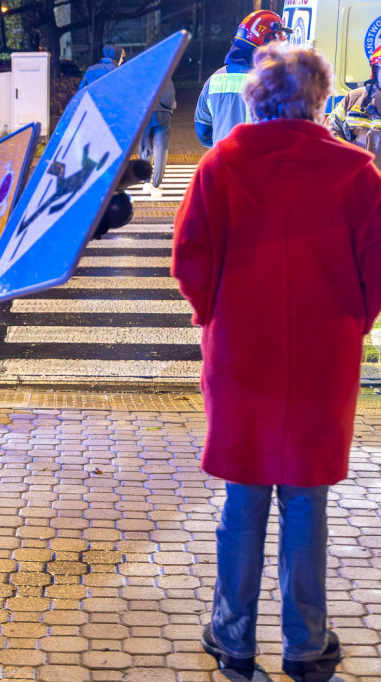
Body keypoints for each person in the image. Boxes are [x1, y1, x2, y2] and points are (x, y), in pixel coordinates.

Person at [173, 42, 381, 676]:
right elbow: (376, 271)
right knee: (307, 501)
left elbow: (191, 260)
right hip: (323, 356)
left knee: (244, 500)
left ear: (256, 96)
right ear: (320, 96)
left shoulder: (222, 163)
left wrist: (214, 316)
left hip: (243, 354)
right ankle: (307, 642)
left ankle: (232, 636)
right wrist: (351, 323)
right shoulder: (357, 171)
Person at [195, 10, 290, 148]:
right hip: (255, 166)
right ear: (265, 44)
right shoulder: (270, 83)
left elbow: (203, 129)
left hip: (221, 164)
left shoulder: (213, 80)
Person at [328, 46, 381, 168]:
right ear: (375, 70)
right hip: (354, 178)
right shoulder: (353, 98)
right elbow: (331, 129)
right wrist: (345, 156)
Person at [139, 78, 176, 199]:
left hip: (145, 114)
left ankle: (146, 182)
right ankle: (156, 187)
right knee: (161, 150)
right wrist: (171, 106)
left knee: (145, 148)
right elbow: (169, 96)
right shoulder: (165, 71)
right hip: (162, 113)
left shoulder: (143, 74)